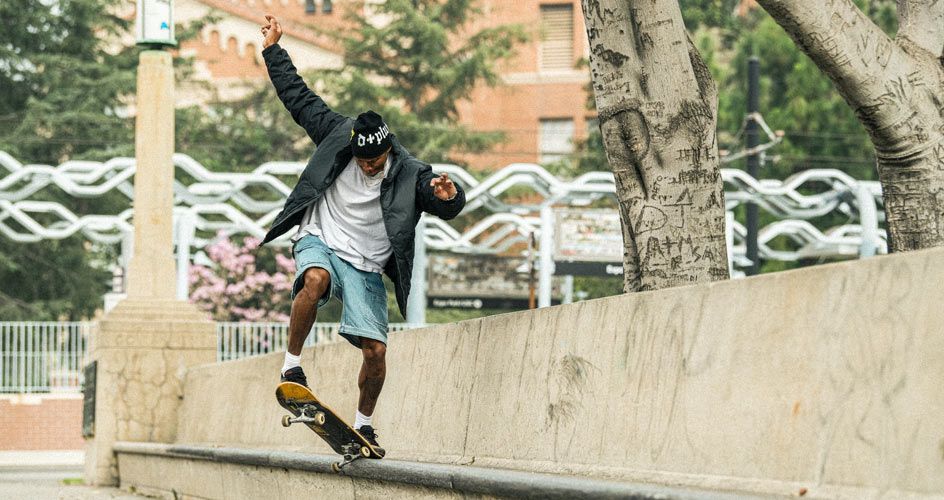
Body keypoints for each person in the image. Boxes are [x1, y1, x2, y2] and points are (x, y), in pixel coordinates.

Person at [258, 15, 466, 455]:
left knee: (374, 351)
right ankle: (292, 368)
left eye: (377, 161)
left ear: (389, 149)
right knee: (313, 281)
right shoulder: (337, 134)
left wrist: (449, 197)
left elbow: (440, 198)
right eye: (363, 160)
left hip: (366, 264)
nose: (369, 167)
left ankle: (364, 426)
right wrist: (273, 50)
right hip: (321, 237)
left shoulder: (411, 173)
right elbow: (298, 98)